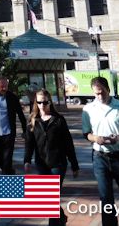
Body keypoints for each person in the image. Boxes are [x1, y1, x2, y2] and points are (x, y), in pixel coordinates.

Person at [82, 77, 119, 226]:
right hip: (100, 157)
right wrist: (95, 138)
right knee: (105, 197)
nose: (100, 96)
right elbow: (86, 133)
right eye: (96, 94)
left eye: (102, 92)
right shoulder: (88, 109)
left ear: (108, 89)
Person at [24, 89, 79, 226]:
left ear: (50, 102)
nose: (42, 105)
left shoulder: (59, 120)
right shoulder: (32, 120)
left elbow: (68, 143)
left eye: (45, 102)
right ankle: (60, 217)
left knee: (51, 198)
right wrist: (27, 160)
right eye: (39, 102)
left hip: (58, 163)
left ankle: (55, 222)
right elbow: (29, 143)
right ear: (36, 102)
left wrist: (74, 164)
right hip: (41, 163)